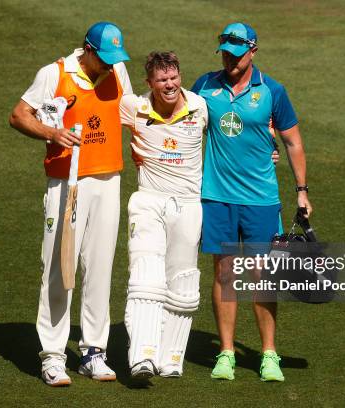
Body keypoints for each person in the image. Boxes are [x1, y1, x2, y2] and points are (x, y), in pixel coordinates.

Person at [8, 21, 133, 386]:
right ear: (88, 50)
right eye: (105, 58)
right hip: (67, 183)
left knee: (99, 268)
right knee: (58, 269)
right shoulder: (54, 74)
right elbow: (18, 115)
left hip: (109, 180)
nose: (111, 65)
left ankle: (94, 352)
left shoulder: (118, 71)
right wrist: (51, 133)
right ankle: (52, 355)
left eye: (115, 59)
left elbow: (130, 114)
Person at [191, 22, 313, 382]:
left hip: (261, 199)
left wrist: (301, 191)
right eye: (225, 51)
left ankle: (268, 354)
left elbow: (293, 142)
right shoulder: (204, 86)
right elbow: (183, 124)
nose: (229, 57)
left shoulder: (273, 91)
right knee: (225, 274)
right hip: (216, 197)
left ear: (253, 51)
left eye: (236, 52)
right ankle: (226, 353)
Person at [119, 52, 207, 379]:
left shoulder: (200, 106)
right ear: (150, 83)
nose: (169, 85)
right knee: (145, 276)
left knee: (183, 282)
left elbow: (233, 140)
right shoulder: (133, 107)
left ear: (180, 76)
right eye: (161, 80)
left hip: (188, 204)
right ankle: (142, 355)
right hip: (148, 200)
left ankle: (171, 358)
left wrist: (267, 142)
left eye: (173, 78)